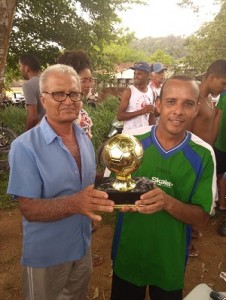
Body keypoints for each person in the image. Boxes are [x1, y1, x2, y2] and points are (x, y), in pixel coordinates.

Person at [7, 64, 114, 300]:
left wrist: (115, 182)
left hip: (81, 246)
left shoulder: (83, 138)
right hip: (47, 255)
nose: (68, 100)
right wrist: (77, 203)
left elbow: (85, 182)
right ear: (44, 99)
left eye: (74, 93)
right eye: (58, 94)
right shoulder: (25, 147)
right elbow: (29, 209)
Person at [110, 75, 216, 300]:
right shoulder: (130, 140)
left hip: (170, 261)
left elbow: (202, 218)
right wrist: (121, 202)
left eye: (187, 103)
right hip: (128, 254)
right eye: (171, 101)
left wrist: (167, 202)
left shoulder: (203, 154)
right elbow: (111, 193)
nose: (178, 110)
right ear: (158, 104)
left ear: (197, 108)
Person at [58, 50, 94, 139]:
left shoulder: (80, 106)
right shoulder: (63, 108)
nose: (88, 85)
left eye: (90, 80)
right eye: (83, 81)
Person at [189, 59, 226, 145]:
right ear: (212, 78)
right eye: (223, 83)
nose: (225, 88)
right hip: (194, 155)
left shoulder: (209, 98)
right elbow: (184, 134)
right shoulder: (193, 98)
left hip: (206, 154)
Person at [117, 61, 155, 133]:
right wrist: (141, 112)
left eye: (139, 74)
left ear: (147, 75)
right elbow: (119, 116)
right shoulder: (129, 91)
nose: (136, 76)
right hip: (130, 135)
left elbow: (151, 117)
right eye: (135, 73)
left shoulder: (151, 92)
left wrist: (152, 132)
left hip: (145, 134)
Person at [19, 54, 45, 131]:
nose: (19, 69)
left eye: (20, 66)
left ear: (26, 68)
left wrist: (25, 135)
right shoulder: (49, 80)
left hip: (40, 130)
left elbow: (32, 117)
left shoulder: (28, 85)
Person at [214, 90, 226, 211]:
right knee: (218, 173)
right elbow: (218, 115)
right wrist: (213, 138)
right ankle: (218, 201)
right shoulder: (223, 94)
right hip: (221, 144)